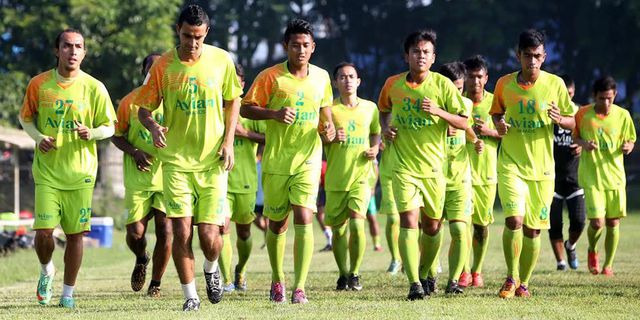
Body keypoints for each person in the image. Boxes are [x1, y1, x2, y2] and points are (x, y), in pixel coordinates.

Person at [135, 4, 242, 311]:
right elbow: (143, 110)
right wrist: (154, 126)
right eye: (186, 36)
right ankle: (190, 297)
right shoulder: (163, 66)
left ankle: (211, 267)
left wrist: (229, 141)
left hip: (212, 163)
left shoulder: (222, 60)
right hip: (176, 163)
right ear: (177, 31)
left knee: (210, 236)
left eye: (198, 37)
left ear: (206, 33)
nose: (192, 43)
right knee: (181, 231)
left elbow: (233, 100)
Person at [240, 19, 336, 304]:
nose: (301, 50)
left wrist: (328, 129)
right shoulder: (270, 76)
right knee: (278, 224)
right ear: (286, 46)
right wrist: (273, 114)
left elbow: (325, 114)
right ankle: (277, 280)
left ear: (313, 47)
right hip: (276, 162)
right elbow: (246, 108)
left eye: (306, 45)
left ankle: (300, 287)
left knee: (305, 216)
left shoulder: (321, 77)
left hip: (308, 159)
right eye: (295, 45)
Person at [19, 28, 117, 308]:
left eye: (78, 47)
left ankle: (67, 295)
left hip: (81, 173)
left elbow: (109, 126)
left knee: (76, 235)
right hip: (48, 172)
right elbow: (26, 119)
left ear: (84, 52)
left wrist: (92, 133)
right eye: (67, 46)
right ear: (57, 50)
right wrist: (38, 138)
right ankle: (46, 268)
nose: (73, 52)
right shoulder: (39, 84)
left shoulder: (95, 87)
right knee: (44, 232)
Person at [378, 30, 468, 300]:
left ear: (433, 57)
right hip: (403, 167)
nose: (420, 56)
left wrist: (438, 111)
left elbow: (463, 121)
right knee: (408, 221)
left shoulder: (443, 85)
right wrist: (386, 129)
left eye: (426, 52)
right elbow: (384, 109)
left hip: (434, 170)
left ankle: (427, 271)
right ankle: (415, 283)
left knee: (432, 226)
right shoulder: (392, 84)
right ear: (406, 56)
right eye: (416, 51)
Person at [490, 29, 576, 298]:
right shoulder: (504, 84)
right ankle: (510, 277)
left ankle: (524, 283)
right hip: (511, 164)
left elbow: (573, 121)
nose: (532, 62)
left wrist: (560, 119)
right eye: (527, 56)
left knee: (533, 228)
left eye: (537, 56)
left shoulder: (556, 84)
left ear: (544, 56)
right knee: (514, 220)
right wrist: (499, 125)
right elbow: (496, 114)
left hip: (542, 169)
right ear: (518, 56)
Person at [111, 53, 172, 297]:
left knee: (166, 231)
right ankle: (141, 257)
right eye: (151, 68)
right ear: (143, 72)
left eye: (160, 67)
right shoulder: (129, 102)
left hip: (168, 176)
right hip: (138, 178)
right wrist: (134, 151)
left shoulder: (174, 99)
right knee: (135, 233)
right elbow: (116, 135)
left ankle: (155, 284)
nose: (155, 71)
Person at [422, 61, 482, 295]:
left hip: (459, 179)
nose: (456, 94)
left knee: (459, 230)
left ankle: (454, 280)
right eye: (452, 89)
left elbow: (468, 131)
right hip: (433, 177)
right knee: (432, 229)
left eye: (459, 89)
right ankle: (427, 275)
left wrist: (475, 141)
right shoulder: (427, 104)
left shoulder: (465, 105)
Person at [324, 62, 381, 291]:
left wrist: (375, 149)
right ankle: (343, 273)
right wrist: (331, 137)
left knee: (357, 225)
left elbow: (376, 132)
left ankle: (355, 273)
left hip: (362, 176)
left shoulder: (370, 108)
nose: (347, 80)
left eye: (351, 76)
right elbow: (321, 138)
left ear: (358, 81)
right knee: (338, 231)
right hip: (337, 178)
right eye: (342, 77)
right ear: (335, 82)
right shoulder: (329, 109)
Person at [574, 76, 636, 276]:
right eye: (602, 98)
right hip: (592, 177)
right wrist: (584, 144)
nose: (606, 103)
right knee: (597, 223)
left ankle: (608, 265)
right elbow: (575, 137)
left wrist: (629, 147)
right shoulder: (583, 114)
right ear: (594, 97)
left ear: (615, 95)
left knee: (613, 222)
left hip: (615, 177)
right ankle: (592, 249)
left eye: (610, 98)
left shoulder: (623, 115)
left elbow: (630, 140)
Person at [218, 63, 266, 292]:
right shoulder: (213, 110)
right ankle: (226, 280)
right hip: (218, 181)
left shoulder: (249, 111)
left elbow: (269, 139)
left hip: (246, 180)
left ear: (243, 84)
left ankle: (241, 270)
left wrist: (244, 133)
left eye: (235, 81)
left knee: (244, 231)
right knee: (221, 228)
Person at [460, 55, 499, 287]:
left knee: (481, 225)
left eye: (479, 77)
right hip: (462, 172)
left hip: (487, 172)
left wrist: (488, 131)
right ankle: (463, 271)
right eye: (471, 77)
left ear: (486, 78)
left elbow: (509, 133)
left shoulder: (496, 103)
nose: (475, 81)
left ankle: (477, 270)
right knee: (462, 222)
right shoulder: (458, 102)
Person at [548, 74, 585, 271]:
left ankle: (571, 245)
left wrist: (580, 145)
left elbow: (588, 139)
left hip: (574, 177)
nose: (567, 98)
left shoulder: (579, 114)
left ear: (573, 92)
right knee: (554, 224)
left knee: (578, 221)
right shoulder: (547, 112)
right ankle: (561, 261)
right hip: (551, 177)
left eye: (569, 94)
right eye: (563, 94)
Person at [379, 140, 402, 275]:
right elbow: (373, 133)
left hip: (413, 169)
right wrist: (377, 143)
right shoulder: (381, 117)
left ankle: (422, 258)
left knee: (417, 219)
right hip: (388, 171)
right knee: (393, 218)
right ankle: (396, 259)